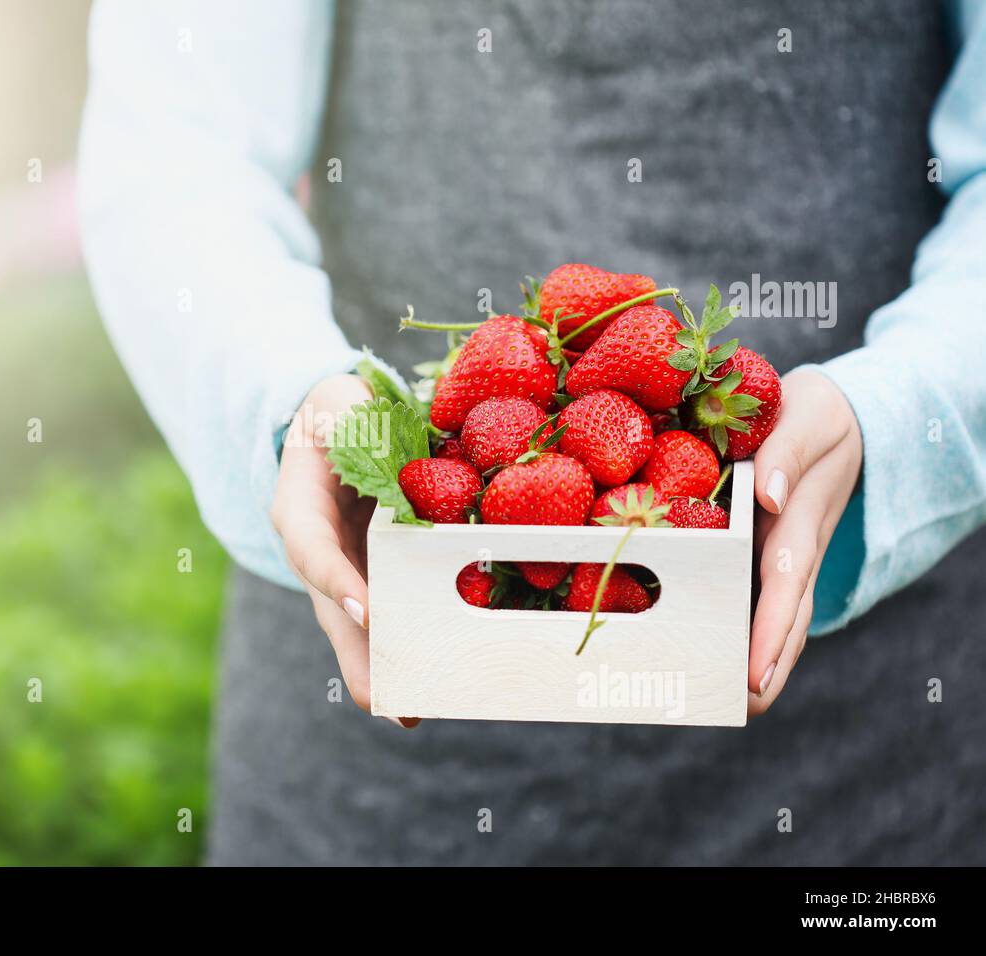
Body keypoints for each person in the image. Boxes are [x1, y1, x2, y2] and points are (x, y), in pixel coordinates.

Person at [78, 0, 986, 864]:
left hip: (861, 743)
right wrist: (295, 396)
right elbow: (176, 144)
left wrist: (897, 411)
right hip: (385, 652)